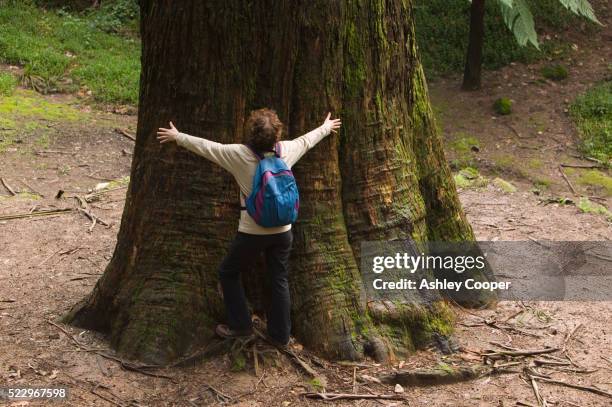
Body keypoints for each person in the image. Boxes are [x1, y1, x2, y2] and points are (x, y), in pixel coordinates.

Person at [156, 109, 341, 346]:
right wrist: (326, 128)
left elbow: (208, 147)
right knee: (279, 278)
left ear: (250, 133)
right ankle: (280, 335)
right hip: (284, 231)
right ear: (277, 135)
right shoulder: (286, 151)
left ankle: (241, 325)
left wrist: (178, 136)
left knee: (228, 272)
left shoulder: (238, 155)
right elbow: (306, 141)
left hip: (252, 232)